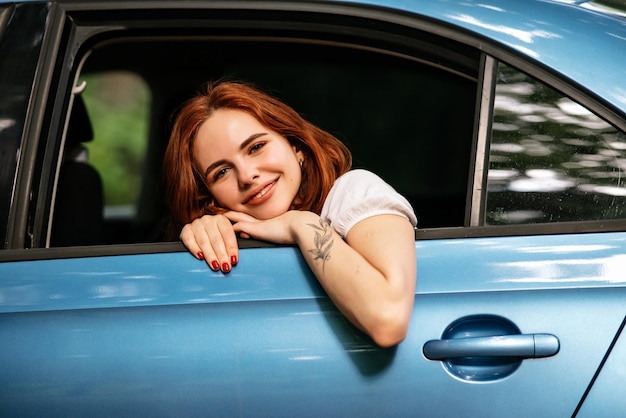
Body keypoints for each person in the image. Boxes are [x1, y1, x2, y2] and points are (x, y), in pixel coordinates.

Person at [163, 80, 417, 347]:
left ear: (296, 147)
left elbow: (388, 320)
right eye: (222, 172)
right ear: (208, 196)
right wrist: (207, 234)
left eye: (256, 147)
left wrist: (301, 224)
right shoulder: (226, 227)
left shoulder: (353, 191)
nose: (247, 176)